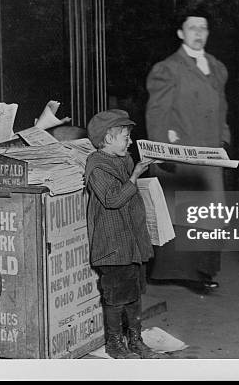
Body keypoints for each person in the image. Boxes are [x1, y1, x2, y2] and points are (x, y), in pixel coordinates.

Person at [145, 8, 231, 292]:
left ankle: (204, 270)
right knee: (185, 213)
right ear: (181, 33)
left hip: (211, 154)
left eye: (203, 27)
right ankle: (189, 275)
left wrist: (225, 140)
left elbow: (222, 109)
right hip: (182, 155)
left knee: (211, 215)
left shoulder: (216, 66)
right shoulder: (168, 68)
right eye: (192, 27)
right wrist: (163, 150)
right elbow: (156, 113)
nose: (198, 33)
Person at [84, 109, 160, 359]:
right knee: (116, 297)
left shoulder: (123, 158)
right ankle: (115, 343)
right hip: (113, 244)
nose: (130, 142)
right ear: (107, 139)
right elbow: (113, 199)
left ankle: (135, 340)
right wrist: (136, 175)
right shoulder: (97, 166)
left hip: (131, 241)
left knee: (134, 292)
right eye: (125, 137)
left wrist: (141, 169)